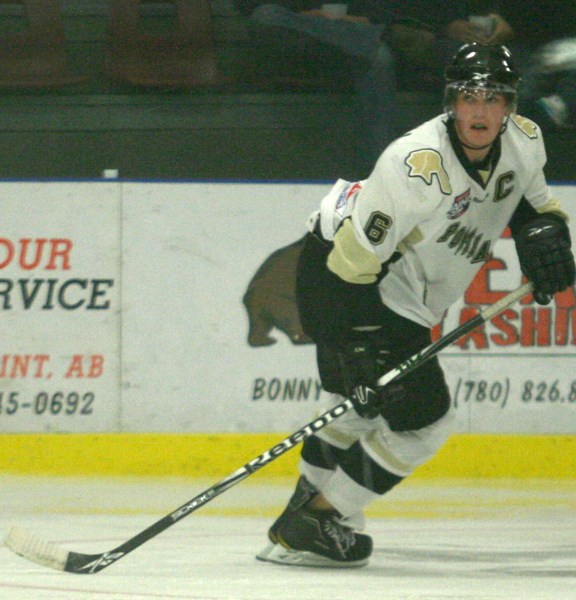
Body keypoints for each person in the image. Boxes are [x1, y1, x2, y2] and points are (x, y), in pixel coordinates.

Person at [255, 43, 576, 568]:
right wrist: (356, 340)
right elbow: (351, 264)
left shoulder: (526, 141)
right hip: (348, 276)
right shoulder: (413, 165)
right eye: (469, 96)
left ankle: (305, 507)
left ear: (510, 107)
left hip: (381, 282)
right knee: (426, 420)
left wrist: (546, 236)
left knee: (356, 400)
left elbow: (533, 203)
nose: (480, 109)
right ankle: (324, 514)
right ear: (450, 102)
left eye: (493, 98)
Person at [233, 0, 399, 166]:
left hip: (349, 40)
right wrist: (305, 14)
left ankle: (377, 171)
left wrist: (359, 19)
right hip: (298, 35)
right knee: (265, 16)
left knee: (379, 59)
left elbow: (384, 11)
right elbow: (248, 6)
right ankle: (365, 36)